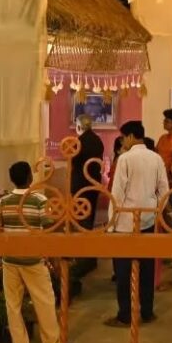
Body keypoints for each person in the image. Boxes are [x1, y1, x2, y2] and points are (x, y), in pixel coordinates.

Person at [105, 120, 169, 327]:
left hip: (125, 221)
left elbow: (117, 194)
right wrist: (155, 209)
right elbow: (164, 190)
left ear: (131, 136)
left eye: (124, 137)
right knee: (147, 269)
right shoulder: (156, 158)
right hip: (148, 219)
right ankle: (147, 311)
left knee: (123, 272)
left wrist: (111, 224)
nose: (123, 141)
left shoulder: (125, 159)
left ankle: (125, 315)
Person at [0, 161, 62, 343]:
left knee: (13, 305)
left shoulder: (4, 202)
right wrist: (55, 261)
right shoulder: (39, 200)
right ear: (30, 177)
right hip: (33, 260)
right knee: (45, 301)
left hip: (10, 260)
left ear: (12, 179)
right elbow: (48, 231)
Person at [70, 115, 104, 279]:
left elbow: (73, 161)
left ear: (79, 126)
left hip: (80, 185)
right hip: (93, 184)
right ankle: (90, 257)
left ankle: (83, 258)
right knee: (89, 220)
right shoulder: (97, 140)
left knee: (81, 221)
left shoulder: (79, 142)